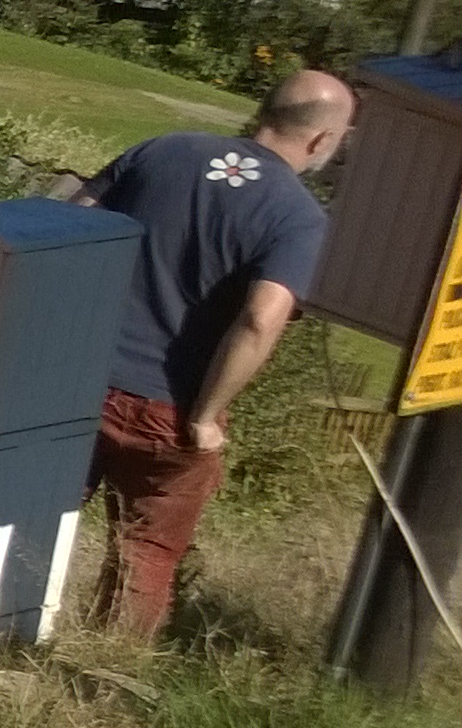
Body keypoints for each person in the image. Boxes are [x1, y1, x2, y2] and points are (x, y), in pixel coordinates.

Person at [73, 67, 355, 637]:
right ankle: (98, 672)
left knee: (23, 520)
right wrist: (203, 417)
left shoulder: (164, 149)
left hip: (77, 383)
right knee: (145, 553)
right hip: (168, 411)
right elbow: (258, 321)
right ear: (322, 140)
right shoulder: (299, 217)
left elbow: (67, 225)